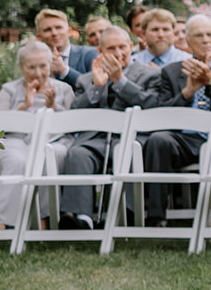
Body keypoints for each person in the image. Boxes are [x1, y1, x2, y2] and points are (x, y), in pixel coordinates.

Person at [143, 16, 211, 228]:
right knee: (158, 139)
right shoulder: (172, 70)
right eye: (198, 36)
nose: (205, 40)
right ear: (187, 40)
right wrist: (187, 93)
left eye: (210, 35)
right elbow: (163, 114)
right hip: (185, 137)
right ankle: (156, 217)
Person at [58, 25, 161, 229]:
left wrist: (120, 81)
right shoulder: (86, 79)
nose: (117, 53)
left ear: (131, 46)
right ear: (100, 51)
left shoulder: (150, 74)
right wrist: (97, 88)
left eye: (122, 47)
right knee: (77, 154)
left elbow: (152, 104)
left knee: (125, 152)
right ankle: (81, 216)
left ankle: (127, 213)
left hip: (132, 138)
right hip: (95, 139)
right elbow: (76, 114)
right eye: (111, 49)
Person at [0, 41, 75, 230]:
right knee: (17, 161)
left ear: (50, 65)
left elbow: (71, 124)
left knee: (46, 157)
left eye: (42, 66)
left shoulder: (63, 89)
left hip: (54, 140)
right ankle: (3, 223)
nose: (37, 72)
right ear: (21, 67)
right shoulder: (9, 89)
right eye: (31, 67)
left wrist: (53, 107)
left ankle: (42, 220)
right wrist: (24, 106)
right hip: (14, 140)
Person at [33, 8, 97, 87]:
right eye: (47, 30)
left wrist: (64, 71)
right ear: (39, 37)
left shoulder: (89, 54)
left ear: (69, 31)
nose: (54, 33)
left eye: (58, 27)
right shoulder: (34, 62)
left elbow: (95, 89)